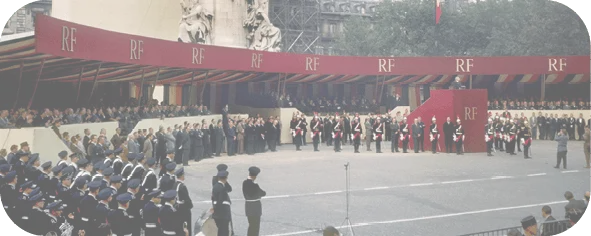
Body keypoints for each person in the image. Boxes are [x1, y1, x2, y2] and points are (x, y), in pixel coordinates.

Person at [242, 166, 267, 236]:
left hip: (248, 206)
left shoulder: (244, 183)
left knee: (251, 225)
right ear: (255, 176)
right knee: (255, 226)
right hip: (255, 207)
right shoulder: (254, 185)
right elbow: (263, 193)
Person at [212, 170, 232, 236]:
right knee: (224, 232)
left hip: (216, 214)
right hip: (222, 215)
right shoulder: (222, 188)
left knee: (220, 231)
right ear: (226, 178)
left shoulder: (215, 187)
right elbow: (220, 201)